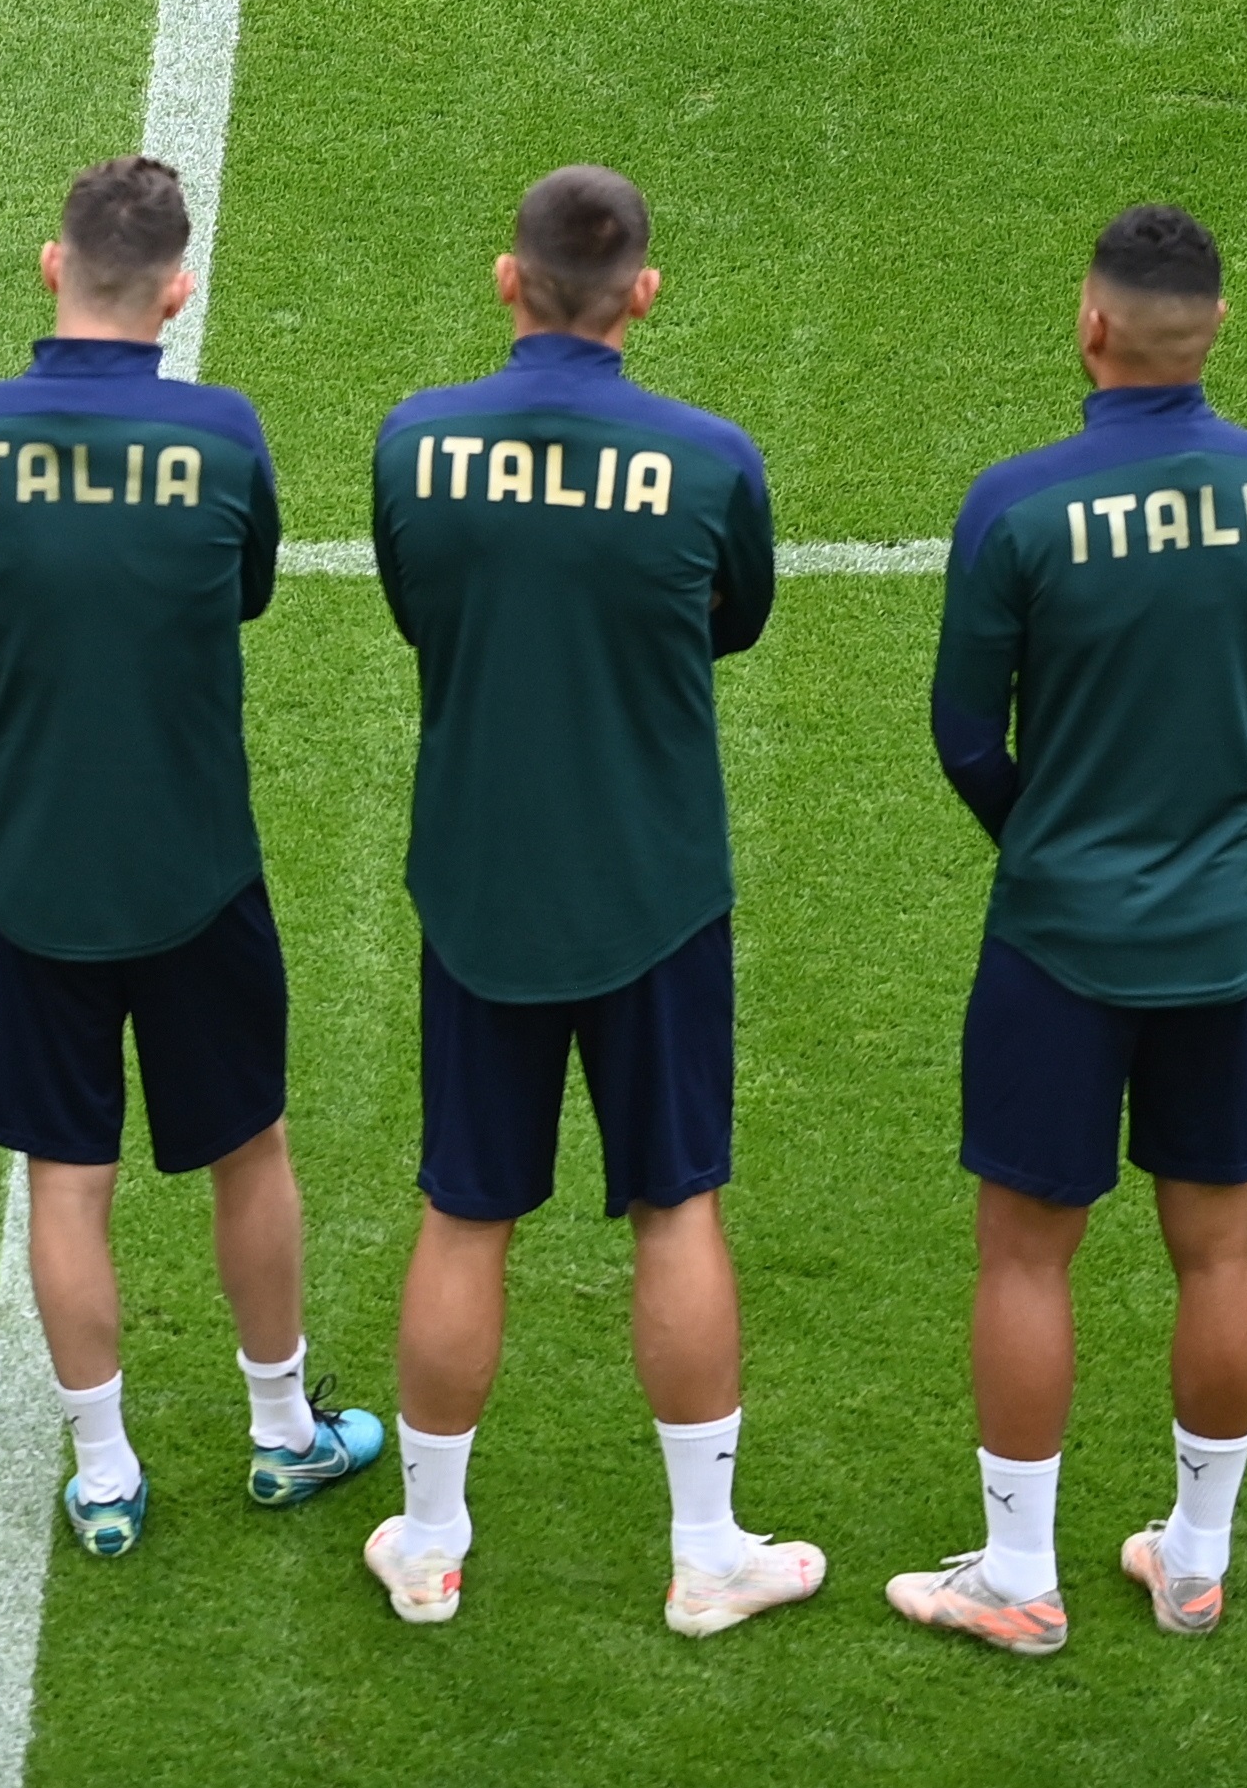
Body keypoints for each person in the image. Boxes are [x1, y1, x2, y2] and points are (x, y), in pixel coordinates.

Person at [358, 165, 819, 1638]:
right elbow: (732, 618)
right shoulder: (710, 459)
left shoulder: (416, 443)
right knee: (676, 1209)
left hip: (481, 885)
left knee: (464, 1212)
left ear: (510, 279)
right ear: (644, 293)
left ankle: (429, 1547)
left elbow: (420, 600)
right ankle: (704, 1553)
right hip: (655, 889)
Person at [894, 205, 1247, 1656]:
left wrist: (1057, 834)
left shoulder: (1020, 505)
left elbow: (968, 733)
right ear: (1215, 327)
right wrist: (1198, 809)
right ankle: (1196, 1558)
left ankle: (1019, 1574)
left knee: (1028, 1255)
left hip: (1058, 938)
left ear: (1092, 326)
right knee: (1220, 1247)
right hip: (1221, 931)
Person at [0, 154, 379, 1555]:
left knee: (68, 1175)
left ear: (55, 266)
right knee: (250, 1147)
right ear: (177, 290)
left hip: (38, 872)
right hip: (195, 872)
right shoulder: (224, 438)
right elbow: (237, 592)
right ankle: (285, 1429)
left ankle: (106, 1473)